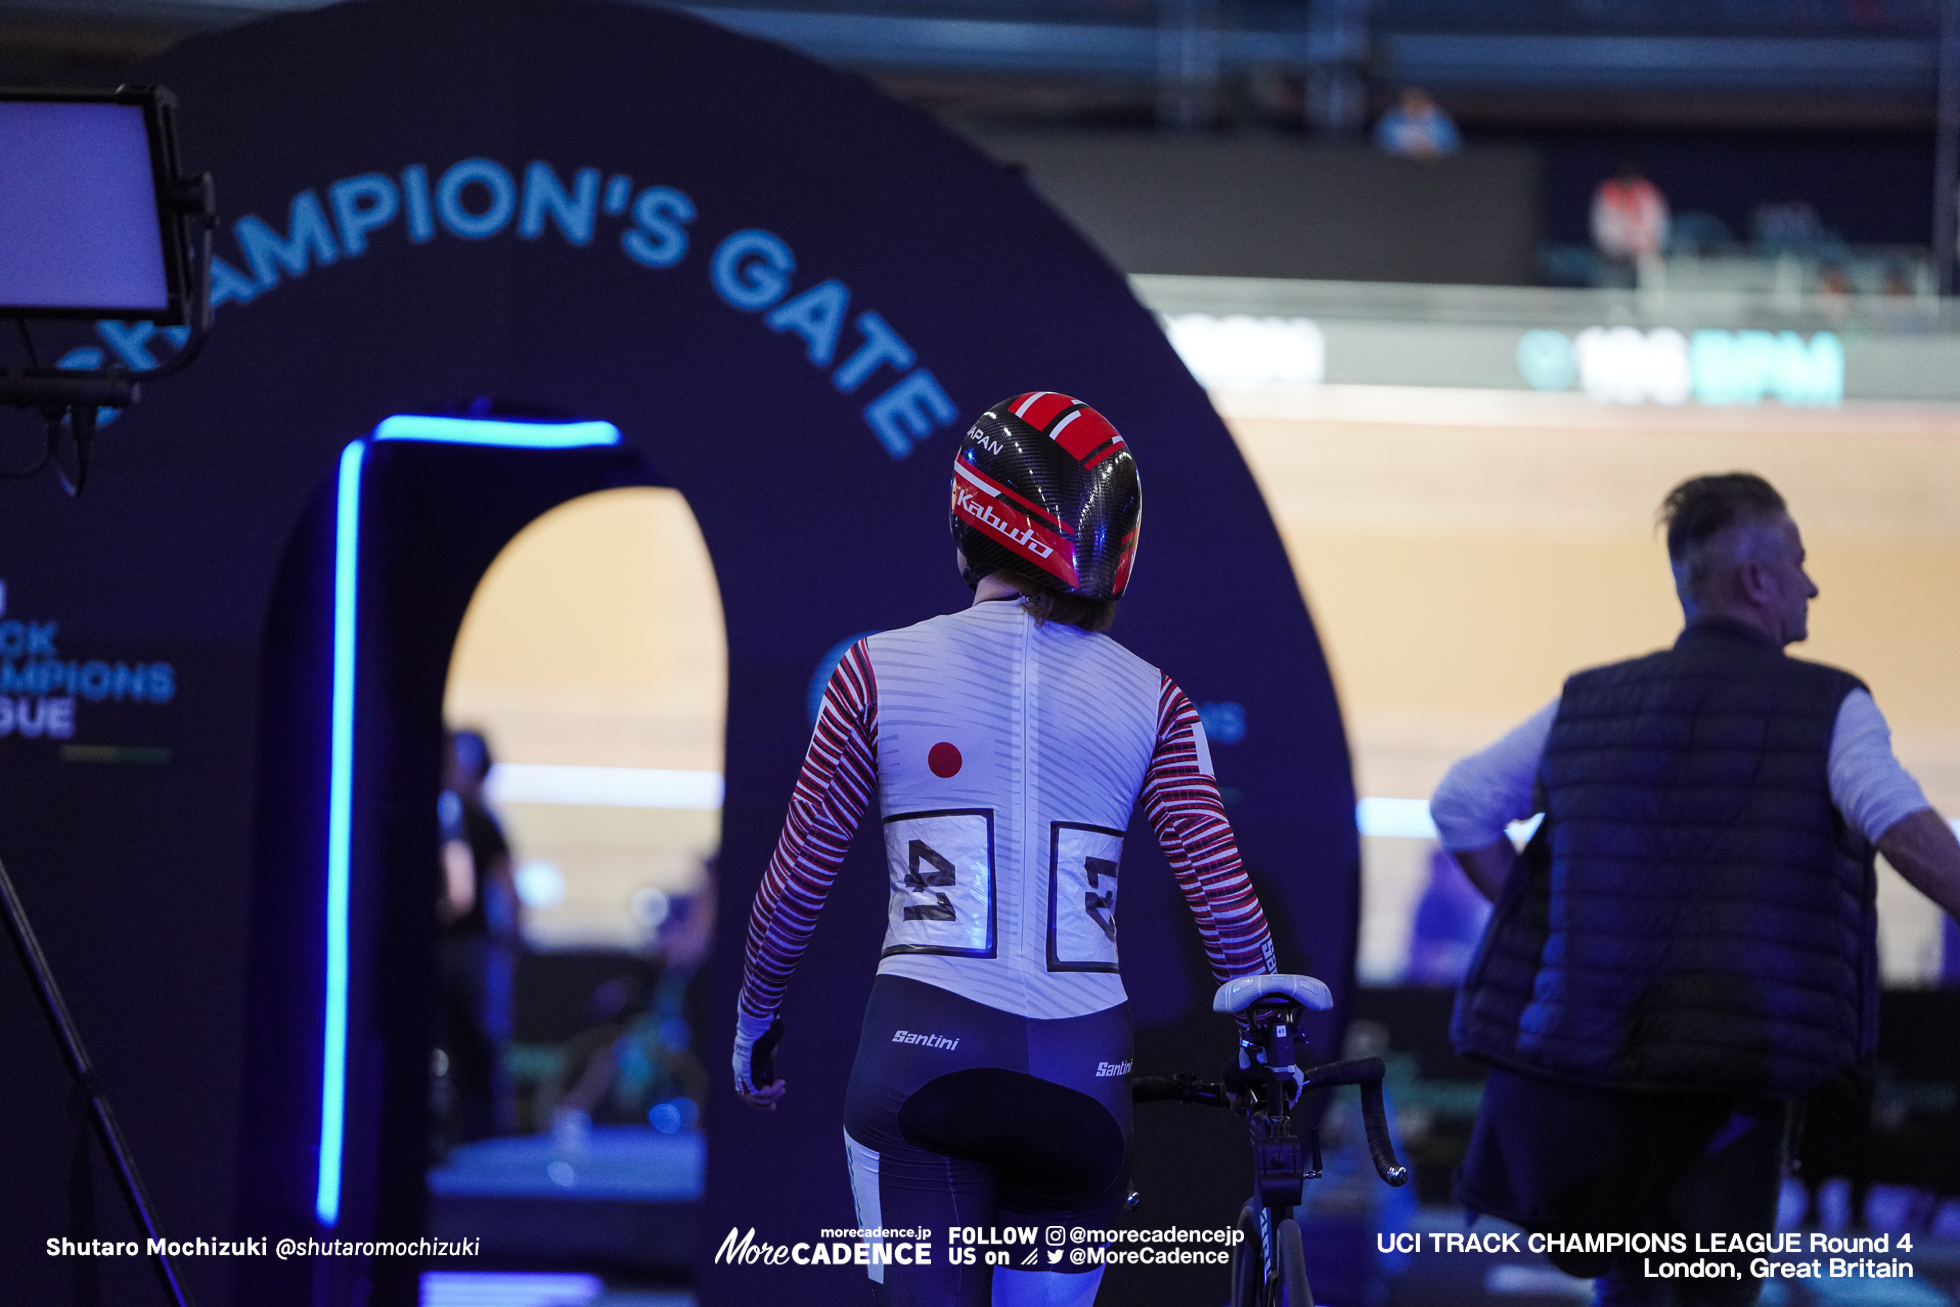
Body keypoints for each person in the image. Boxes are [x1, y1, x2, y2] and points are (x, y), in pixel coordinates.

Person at [731, 392, 1280, 1307]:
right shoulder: (1159, 697)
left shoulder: (876, 668)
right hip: (1084, 1081)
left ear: (970, 518)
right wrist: (1271, 1042)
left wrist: (756, 1021)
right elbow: (1223, 896)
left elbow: (797, 879)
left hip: (919, 1057)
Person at [1430, 473, 1960, 1305]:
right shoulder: (1828, 703)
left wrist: (1552, 927)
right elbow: (1901, 825)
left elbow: (1461, 805)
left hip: (1596, 1081)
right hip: (1730, 1089)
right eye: (1798, 561)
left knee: (1629, 1295)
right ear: (1756, 579)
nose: (1810, 582)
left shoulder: (1592, 700)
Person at [436, 727, 523, 1144]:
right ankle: (474, 1127)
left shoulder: (470, 817)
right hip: (465, 947)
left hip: (471, 947)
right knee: (468, 1040)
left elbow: (477, 890)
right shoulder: (453, 814)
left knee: (479, 1040)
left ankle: (486, 1128)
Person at [1591, 162, 1670, 286]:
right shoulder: (1607, 192)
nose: (1628, 179)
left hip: (1643, 258)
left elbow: (1659, 225)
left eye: (1632, 174)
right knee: (1612, 290)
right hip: (1613, 259)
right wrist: (1623, 246)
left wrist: (1644, 246)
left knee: (1652, 270)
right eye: (1625, 174)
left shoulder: (1648, 193)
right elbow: (1601, 229)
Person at [1373, 87, 1461, 158]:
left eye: (1419, 100)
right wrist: (1406, 150)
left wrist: (1431, 150)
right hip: (1396, 168)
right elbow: (1380, 144)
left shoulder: (1441, 121)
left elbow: (1453, 144)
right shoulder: (1390, 121)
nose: (1415, 104)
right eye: (1411, 101)